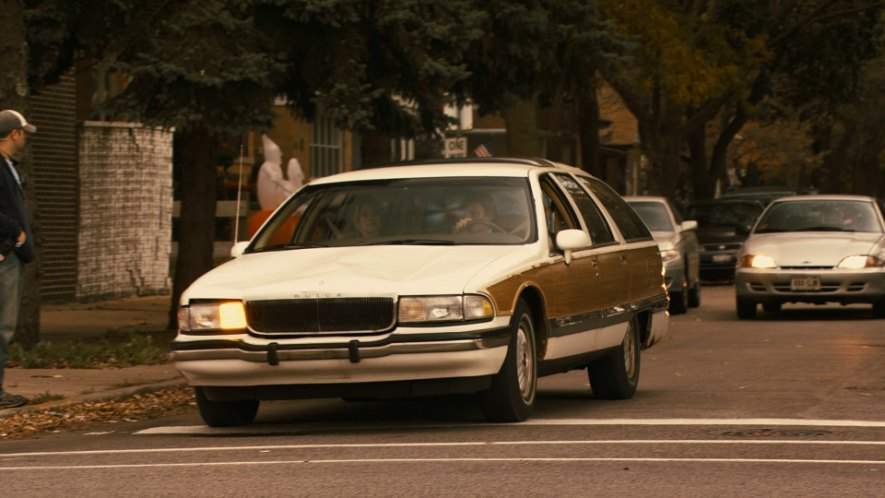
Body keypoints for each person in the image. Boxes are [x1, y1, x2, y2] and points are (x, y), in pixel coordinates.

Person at [0, 109, 37, 409]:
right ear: (14, 134)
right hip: (5, 253)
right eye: (24, 133)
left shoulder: (9, 166)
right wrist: (16, 232)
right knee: (3, 325)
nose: (25, 138)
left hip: (11, 250)